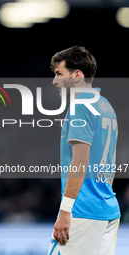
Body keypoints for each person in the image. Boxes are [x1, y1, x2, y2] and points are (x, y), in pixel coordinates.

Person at [47, 46, 121, 255]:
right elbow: (110, 161)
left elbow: (80, 161)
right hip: (108, 208)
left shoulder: (81, 105)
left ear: (77, 75)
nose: (55, 81)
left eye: (59, 74)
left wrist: (66, 210)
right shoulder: (105, 105)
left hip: (83, 212)